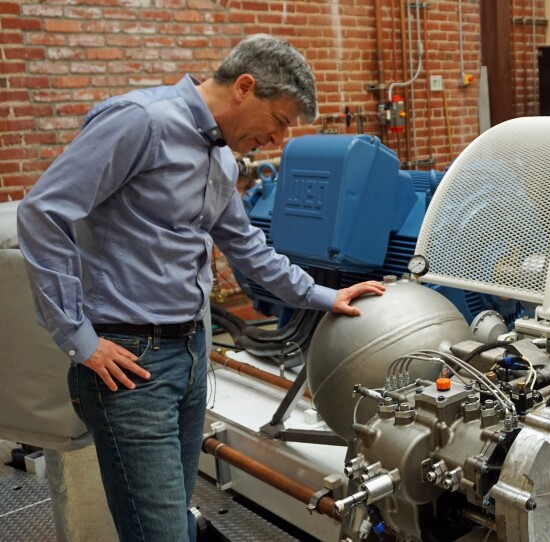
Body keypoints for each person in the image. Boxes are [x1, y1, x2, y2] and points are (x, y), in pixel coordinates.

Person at [16, 34, 385, 542]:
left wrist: (324, 296)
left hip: (190, 353)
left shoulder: (221, 157)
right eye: (278, 120)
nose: (278, 140)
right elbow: (43, 212)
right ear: (245, 87)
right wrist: (78, 337)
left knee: (172, 512)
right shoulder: (140, 121)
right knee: (160, 533)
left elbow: (247, 248)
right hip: (129, 362)